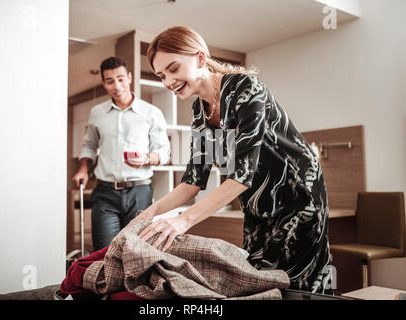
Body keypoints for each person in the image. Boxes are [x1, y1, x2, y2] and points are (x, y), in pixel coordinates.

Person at [132, 26, 332, 294]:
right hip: (257, 205)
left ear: (200, 59)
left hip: (298, 199)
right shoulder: (199, 111)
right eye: (161, 75)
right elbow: (192, 182)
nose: (168, 81)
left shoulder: (246, 89)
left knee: (296, 285)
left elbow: (241, 174)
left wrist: (182, 221)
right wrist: (147, 214)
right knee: (260, 281)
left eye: (174, 68)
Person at [72, 56, 171, 251]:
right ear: (103, 84)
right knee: (104, 252)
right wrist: (83, 168)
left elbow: (164, 152)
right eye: (110, 81)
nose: (116, 85)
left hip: (139, 192)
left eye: (120, 79)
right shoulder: (97, 113)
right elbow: (89, 146)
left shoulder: (151, 112)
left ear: (129, 77)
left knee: (135, 250)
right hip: (105, 193)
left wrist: (147, 158)